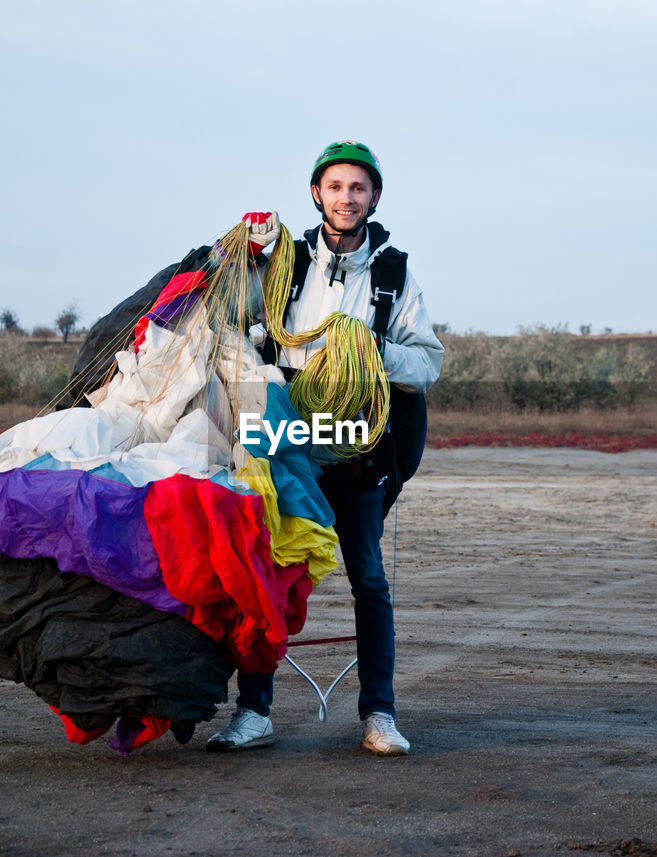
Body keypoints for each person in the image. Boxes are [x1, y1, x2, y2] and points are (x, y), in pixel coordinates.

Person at [207, 141, 444, 756]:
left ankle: (380, 716)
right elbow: (227, 314)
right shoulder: (285, 264)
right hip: (286, 440)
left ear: (374, 198)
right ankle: (254, 712)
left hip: (356, 444)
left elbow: (427, 363)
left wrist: (368, 348)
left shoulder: (393, 274)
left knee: (368, 577)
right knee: (270, 571)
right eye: (335, 186)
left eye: (358, 188)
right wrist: (242, 252)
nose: (347, 197)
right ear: (317, 193)